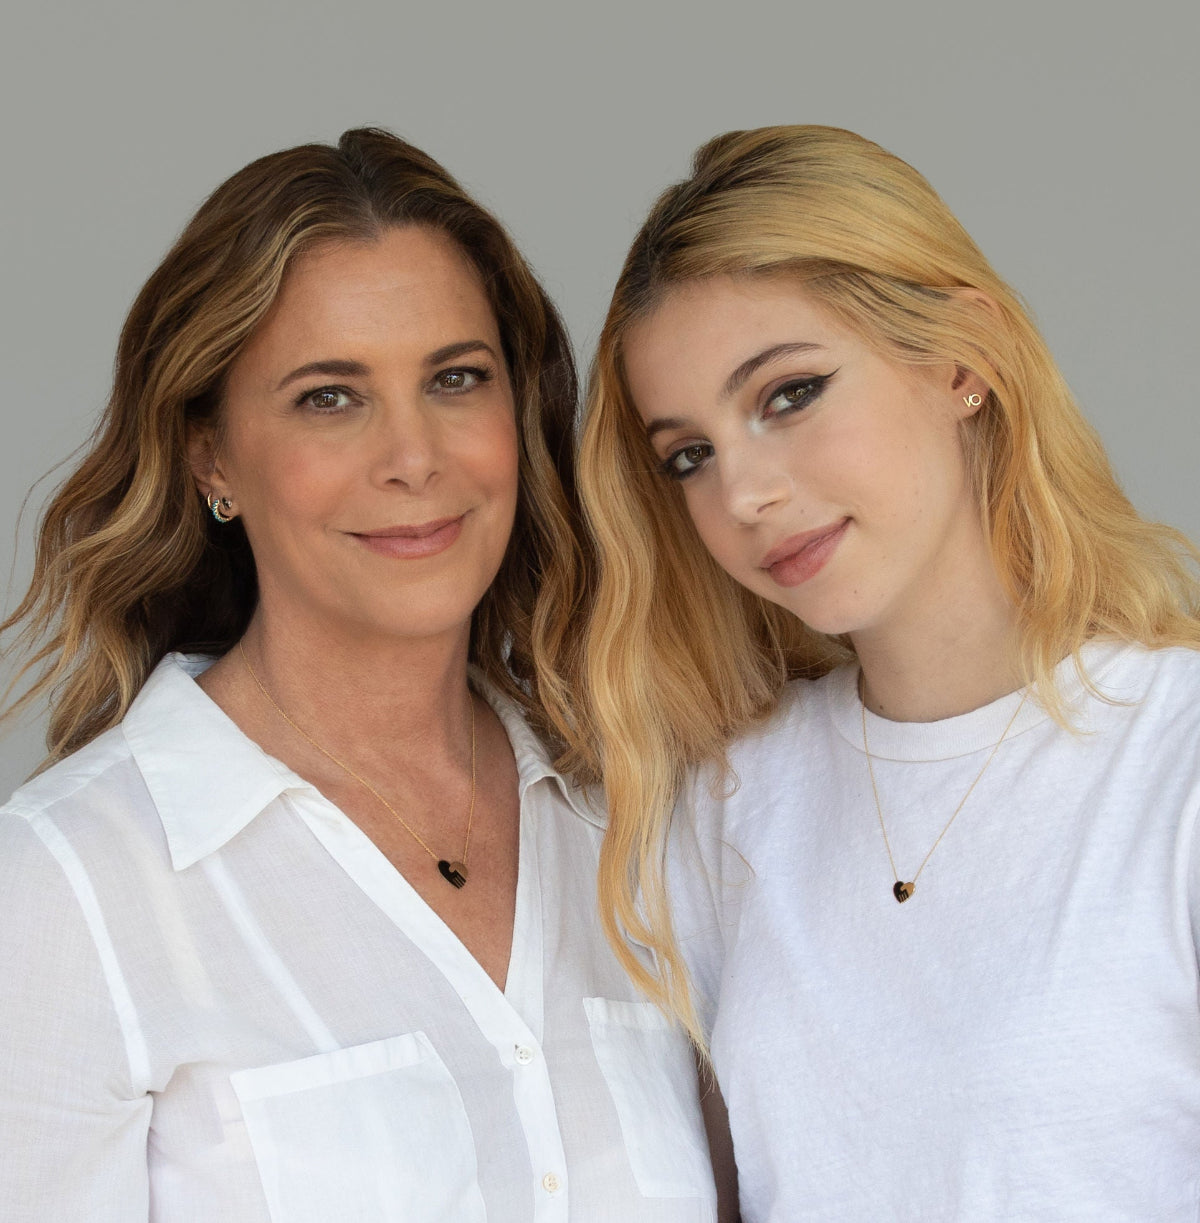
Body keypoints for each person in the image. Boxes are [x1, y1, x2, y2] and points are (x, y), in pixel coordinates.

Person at [0, 128, 718, 1222]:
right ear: (212, 457)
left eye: (456, 379)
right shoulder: (66, 888)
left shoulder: (631, 820)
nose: (415, 457)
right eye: (330, 396)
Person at [573, 124, 1200, 1220]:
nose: (744, 495)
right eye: (690, 454)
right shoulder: (726, 805)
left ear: (962, 359)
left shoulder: (1173, 763)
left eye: (789, 393)